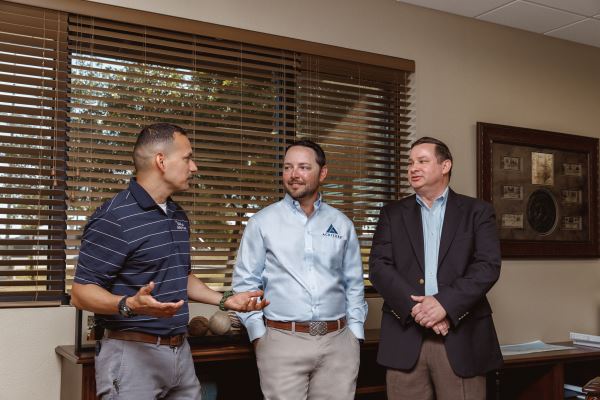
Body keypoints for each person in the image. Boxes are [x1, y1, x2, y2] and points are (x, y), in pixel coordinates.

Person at [71, 123, 268, 400]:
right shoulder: (114, 217)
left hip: (180, 353)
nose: (194, 167)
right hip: (131, 355)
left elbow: (181, 276)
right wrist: (128, 305)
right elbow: (80, 293)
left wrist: (225, 300)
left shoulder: (177, 215)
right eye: (187, 158)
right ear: (161, 161)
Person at [232, 139, 368, 400]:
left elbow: (354, 284)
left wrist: (355, 335)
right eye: (287, 167)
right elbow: (245, 284)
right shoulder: (262, 223)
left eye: (304, 167)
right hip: (281, 341)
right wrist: (259, 337)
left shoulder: (342, 224)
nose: (294, 174)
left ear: (322, 173)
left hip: (338, 343)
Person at [369, 137, 502, 400]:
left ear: (445, 166)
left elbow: (487, 266)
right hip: (405, 336)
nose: (413, 168)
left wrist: (444, 305)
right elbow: (379, 267)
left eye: (422, 161)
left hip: (460, 336)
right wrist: (419, 310)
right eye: (410, 163)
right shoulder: (391, 214)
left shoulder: (477, 212)